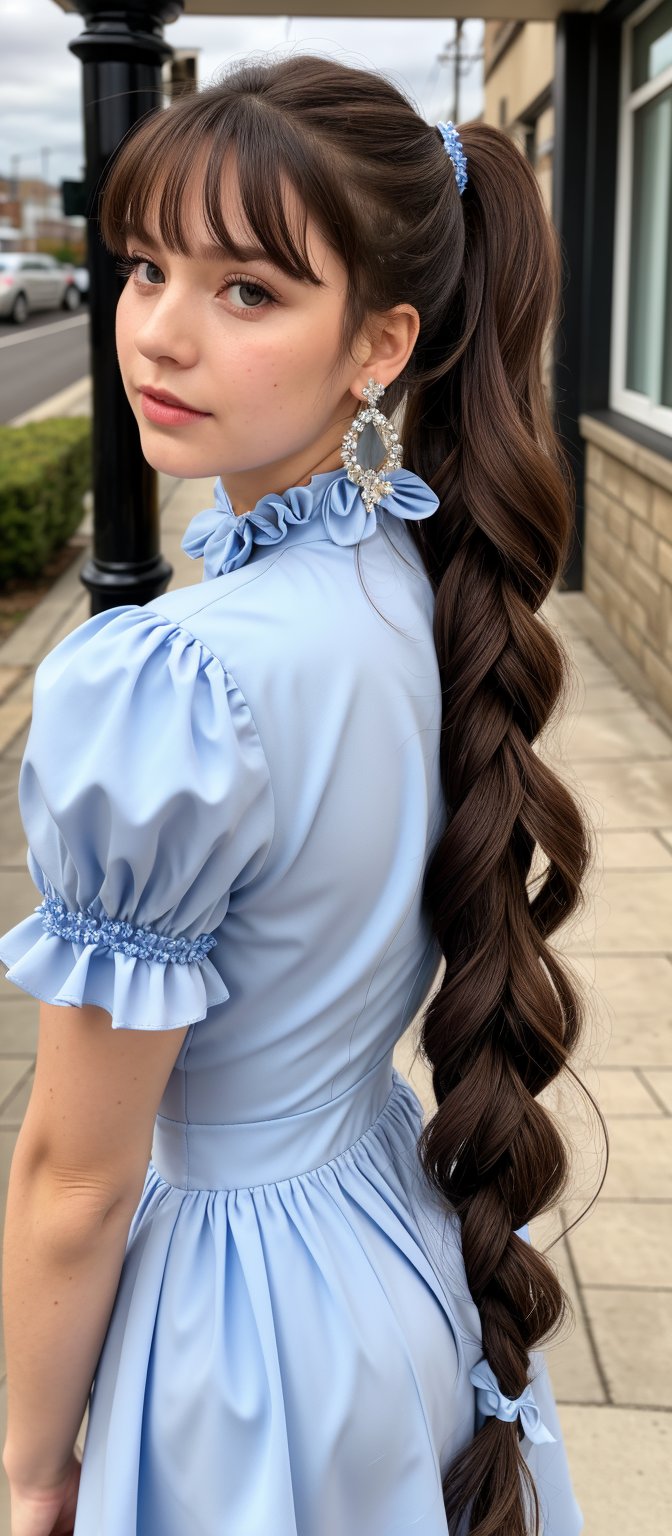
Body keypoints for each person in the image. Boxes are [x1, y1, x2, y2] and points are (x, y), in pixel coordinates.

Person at [0, 53, 604, 1536]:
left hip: (235, 1339)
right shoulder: (418, 590)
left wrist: (25, 1465)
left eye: (249, 290)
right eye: (145, 268)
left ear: (379, 346)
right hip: (386, 1252)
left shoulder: (171, 688)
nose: (161, 331)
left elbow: (78, 1171)